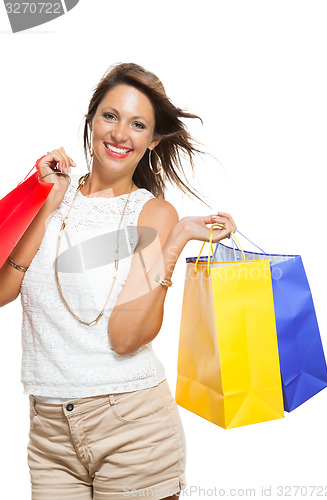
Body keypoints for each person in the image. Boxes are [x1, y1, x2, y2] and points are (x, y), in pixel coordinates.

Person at [0, 62, 237, 500]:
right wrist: (48, 202)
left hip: (132, 429)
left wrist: (178, 237)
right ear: (91, 120)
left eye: (138, 124)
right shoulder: (50, 191)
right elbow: (2, 291)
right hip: (49, 435)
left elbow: (127, 338)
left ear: (153, 140)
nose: (120, 134)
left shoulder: (153, 215)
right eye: (110, 116)